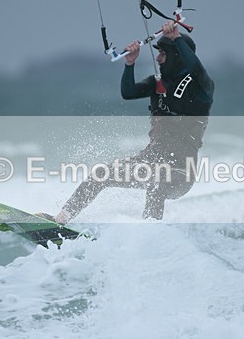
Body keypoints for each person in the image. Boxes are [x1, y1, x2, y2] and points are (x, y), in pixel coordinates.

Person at [41, 20, 214, 224]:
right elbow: (128, 92)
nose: (158, 58)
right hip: (150, 161)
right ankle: (60, 220)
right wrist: (129, 64)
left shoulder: (202, 87)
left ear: (177, 56)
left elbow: (194, 66)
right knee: (101, 173)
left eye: (163, 54)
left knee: (158, 181)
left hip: (180, 172)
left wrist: (176, 37)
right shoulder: (156, 82)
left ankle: (149, 233)